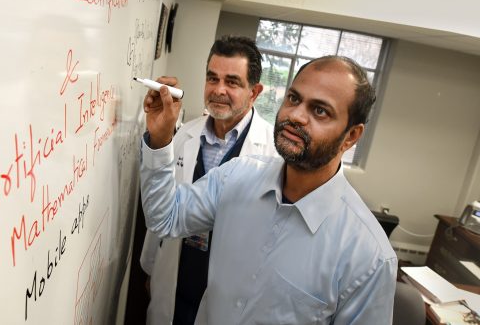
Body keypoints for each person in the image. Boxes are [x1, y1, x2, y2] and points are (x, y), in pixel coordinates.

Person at [140, 55, 397, 324]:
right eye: (294, 99)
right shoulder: (236, 177)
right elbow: (164, 217)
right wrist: (160, 137)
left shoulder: (369, 258)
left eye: (320, 111)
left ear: (351, 136)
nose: (296, 116)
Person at [139, 36, 279, 325]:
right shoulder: (183, 135)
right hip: (176, 284)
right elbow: (161, 207)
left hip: (230, 301)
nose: (218, 90)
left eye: (232, 82)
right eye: (212, 78)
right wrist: (151, 268)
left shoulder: (273, 153)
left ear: (254, 92)